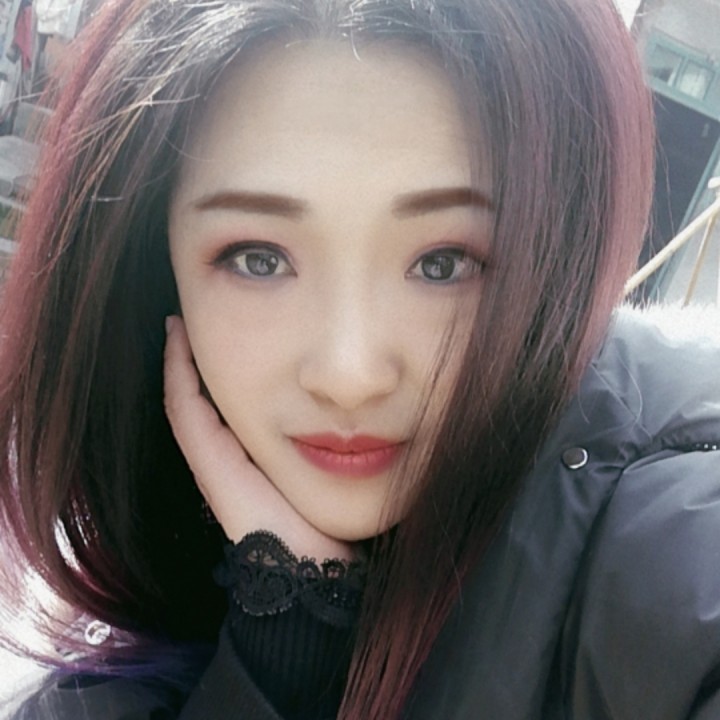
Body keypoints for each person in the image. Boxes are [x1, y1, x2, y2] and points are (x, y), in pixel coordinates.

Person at [0, 0, 718, 718]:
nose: (350, 376)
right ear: (156, 274)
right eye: (259, 258)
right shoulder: (95, 687)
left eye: (443, 263)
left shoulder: (673, 554)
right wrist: (284, 638)